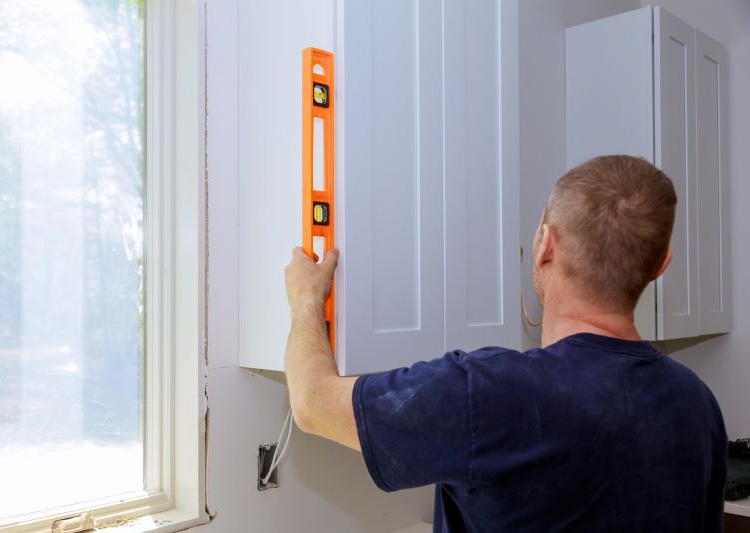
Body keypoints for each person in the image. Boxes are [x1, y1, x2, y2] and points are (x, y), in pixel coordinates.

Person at [284, 155, 727, 532]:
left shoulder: (491, 392)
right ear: (661, 265)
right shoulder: (698, 404)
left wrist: (307, 299)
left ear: (544, 246)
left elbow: (311, 402)